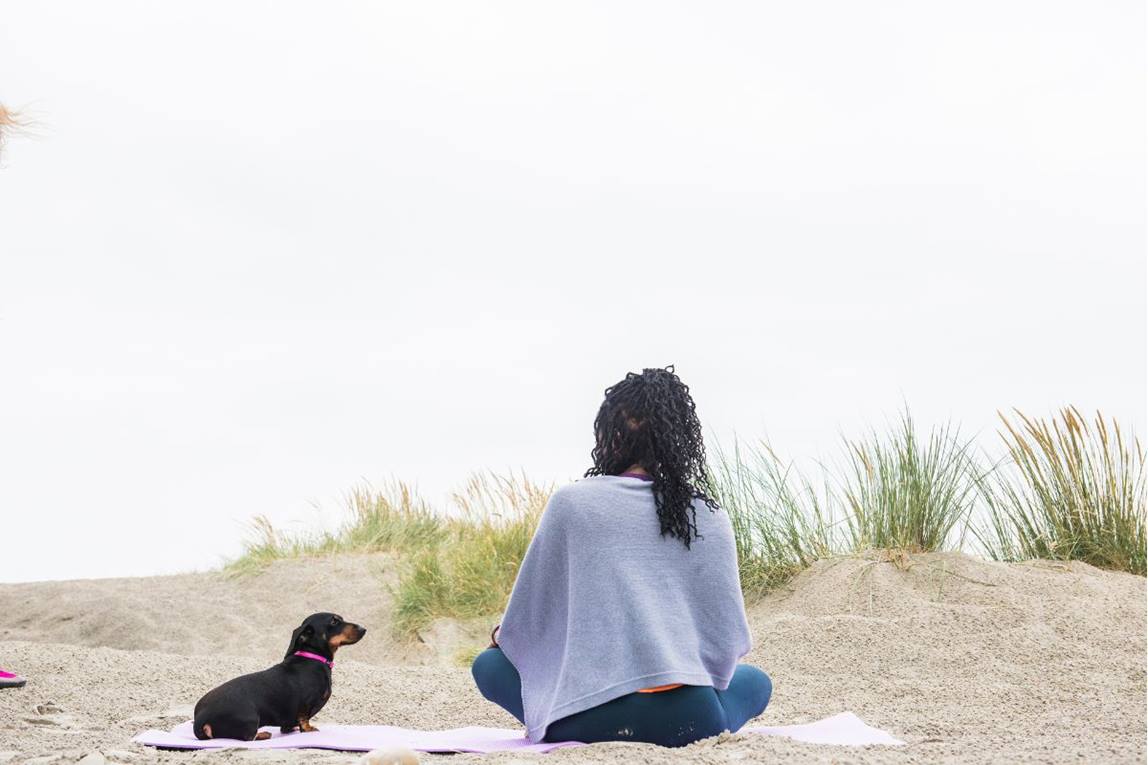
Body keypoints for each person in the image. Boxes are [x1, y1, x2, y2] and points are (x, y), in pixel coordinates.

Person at [471, 366, 771, 746]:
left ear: (608, 435)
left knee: (488, 665)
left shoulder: (572, 503)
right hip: (689, 719)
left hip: (580, 718)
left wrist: (503, 637)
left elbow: (525, 628)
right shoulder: (709, 517)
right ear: (680, 438)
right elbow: (727, 642)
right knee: (756, 682)